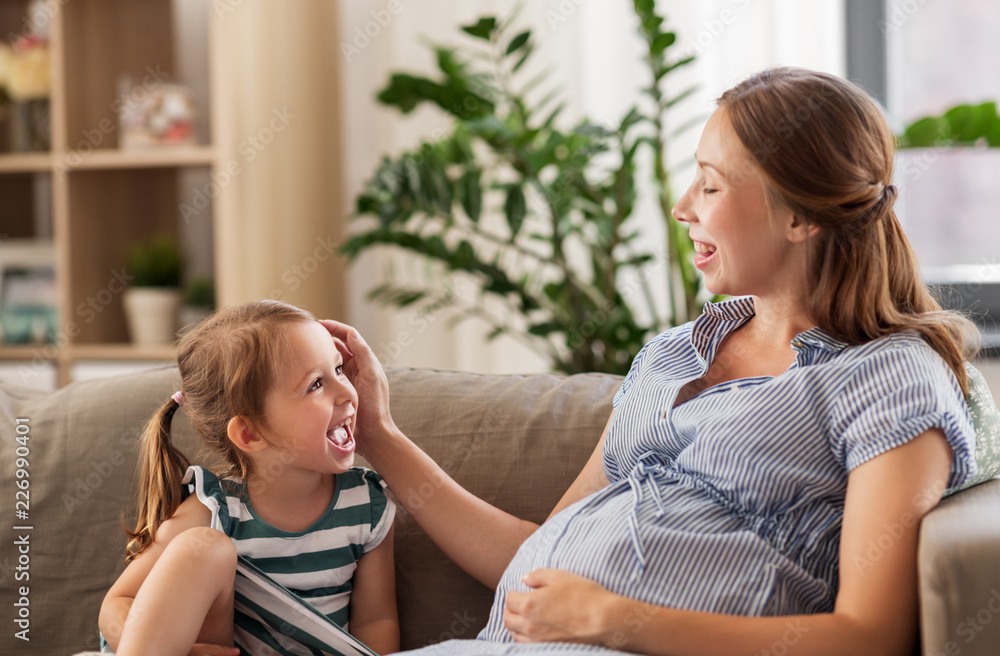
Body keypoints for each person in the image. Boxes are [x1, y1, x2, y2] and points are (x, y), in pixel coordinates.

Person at [322, 67, 980, 656]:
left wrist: (614, 620)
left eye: (711, 185)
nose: (682, 206)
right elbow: (535, 558)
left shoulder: (889, 377)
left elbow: (870, 637)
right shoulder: (671, 354)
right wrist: (381, 434)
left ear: (801, 217)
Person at [99, 301, 398, 656]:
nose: (348, 392)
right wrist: (184, 651)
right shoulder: (214, 510)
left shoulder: (367, 505)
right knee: (203, 548)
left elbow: (376, 622)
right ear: (250, 434)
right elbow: (117, 604)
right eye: (316, 384)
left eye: (338, 369)